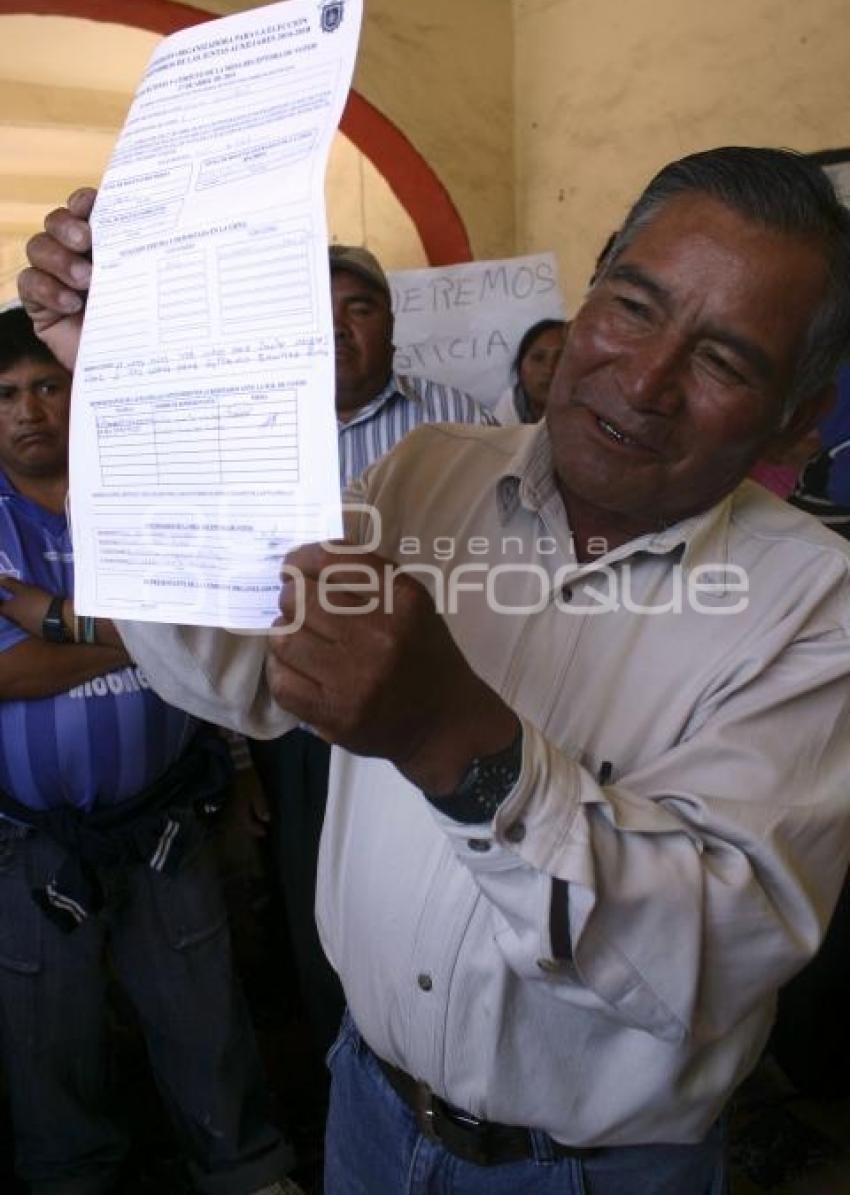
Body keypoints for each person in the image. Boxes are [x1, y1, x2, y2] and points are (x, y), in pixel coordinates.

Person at [20, 147, 850, 1195]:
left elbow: (708, 956)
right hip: (366, 1106)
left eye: (724, 361)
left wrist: (451, 741)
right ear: (588, 295)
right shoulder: (428, 474)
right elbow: (231, 664)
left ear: (796, 419)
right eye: (632, 306)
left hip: (591, 1174)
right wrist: (129, 397)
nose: (644, 380)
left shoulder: (817, 609)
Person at [0, 307, 300, 1195]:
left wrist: (51, 616)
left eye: (47, 386)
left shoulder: (141, 499)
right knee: (49, 1039)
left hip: (168, 817)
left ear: (79, 390)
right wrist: (158, 632)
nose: (28, 411)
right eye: (6, 393)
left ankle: (246, 1170)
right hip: (30, 842)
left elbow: (225, 626)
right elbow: (13, 676)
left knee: (205, 1012)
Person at [248, 243, 493, 1069]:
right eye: (320, 312)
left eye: (359, 307)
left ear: (391, 322)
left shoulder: (455, 419)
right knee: (323, 885)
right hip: (296, 708)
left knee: (441, 879)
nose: (339, 328)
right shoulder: (267, 433)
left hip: (437, 696)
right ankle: (347, 1056)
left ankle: (447, 1052)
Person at [492, 316, 568, 423]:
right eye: (538, 358)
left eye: (561, 358)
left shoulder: (592, 411)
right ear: (520, 369)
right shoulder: (507, 410)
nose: (549, 369)